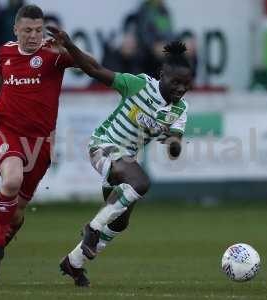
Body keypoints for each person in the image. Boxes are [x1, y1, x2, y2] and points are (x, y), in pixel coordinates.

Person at [47, 26, 192, 287]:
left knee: (120, 223)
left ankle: (74, 262)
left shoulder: (180, 108)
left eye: (186, 85)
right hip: (103, 146)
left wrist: (172, 142)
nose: (180, 89)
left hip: (125, 160)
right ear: (162, 75)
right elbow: (94, 70)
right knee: (141, 183)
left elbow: (175, 145)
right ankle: (91, 229)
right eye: (176, 83)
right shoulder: (138, 85)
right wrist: (68, 44)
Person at [0, 5, 74, 285]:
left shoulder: (54, 54)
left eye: (38, 30)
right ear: (16, 29)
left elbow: (87, 64)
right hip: (6, 129)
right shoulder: (6, 51)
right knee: (12, 180)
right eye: (27, 30)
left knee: (16, 215)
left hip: (39, 143)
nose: (33, 36)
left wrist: (70, 47)